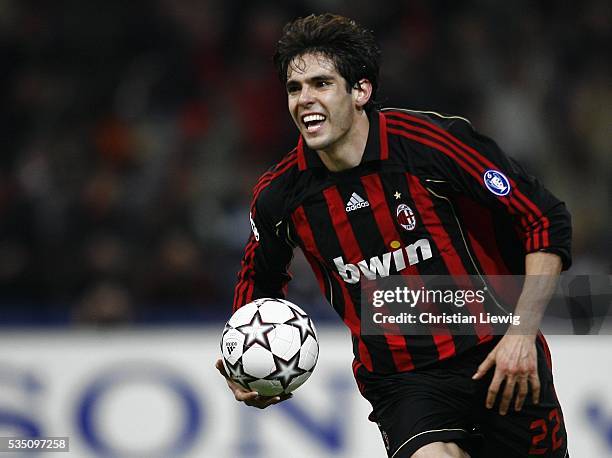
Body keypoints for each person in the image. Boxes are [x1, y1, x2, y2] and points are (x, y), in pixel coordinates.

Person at [216, 13, 571, 458]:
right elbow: (259, 277)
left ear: (360, 90)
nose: (305, 99)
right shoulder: (280, 196)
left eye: (322, 84)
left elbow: (543, 218)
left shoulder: (429, 144)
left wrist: (520, 334)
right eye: (294, 88)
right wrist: (244, 357)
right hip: (403, 382)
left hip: (498, 352)